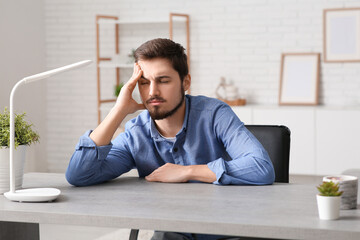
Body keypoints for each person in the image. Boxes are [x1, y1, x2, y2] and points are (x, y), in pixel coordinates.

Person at [66, 38, 275, 240]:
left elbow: (261, 167)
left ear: (185, 82)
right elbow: (79, 175)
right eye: (144, 83)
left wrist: (186, 171)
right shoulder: (136, 133)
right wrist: (118, 110)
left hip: (226, 229)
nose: (152, 92)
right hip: (172, 232)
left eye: (163, 81)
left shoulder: (214, 114)